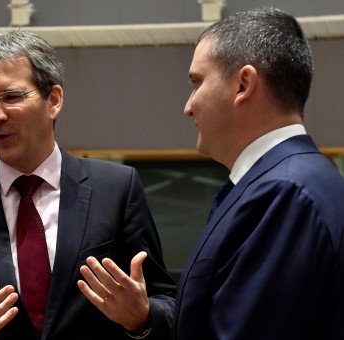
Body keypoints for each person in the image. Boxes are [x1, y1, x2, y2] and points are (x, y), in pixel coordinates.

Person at [79, 7, 344, 340]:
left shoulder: (283, 192)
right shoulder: (293, 179)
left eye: (196, 82)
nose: (188, 106)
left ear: (243, 84)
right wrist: (144, 317)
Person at [0, 30, 176, 340]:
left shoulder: (116, 189)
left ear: (54, 100)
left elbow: (167, 303)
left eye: (11, 96)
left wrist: (142, 318)